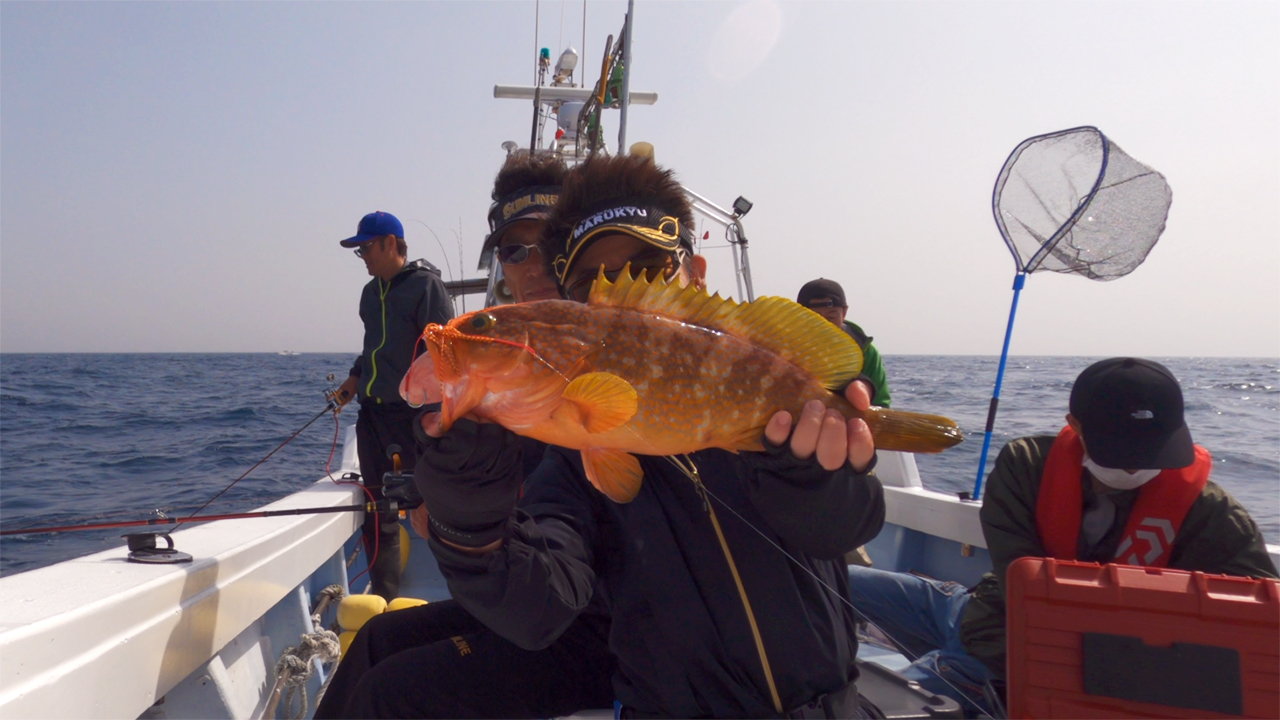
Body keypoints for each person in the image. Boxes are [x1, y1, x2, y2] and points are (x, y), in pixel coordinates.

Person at [413, 154, 887, 718]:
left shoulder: (774, 415)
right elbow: (536, 610)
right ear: (573, 312)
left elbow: (851, 524)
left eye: (651, 269)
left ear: (698, 275)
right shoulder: (573, 458)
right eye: (595, 284)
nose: (626, 292)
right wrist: (467, 518)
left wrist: (814, 478)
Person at [315, 156, 617, 719]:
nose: (531, 266)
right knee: (376, 642)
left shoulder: (617, 353)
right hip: (536, 595)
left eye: (552, 242)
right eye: (511, 250)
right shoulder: (506, 381)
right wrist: (447, 505)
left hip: (602, 627)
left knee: (390, 694)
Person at [845, 357, 1278, 715]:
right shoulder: (1026, 466)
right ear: (1075, 424)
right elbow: (1018, 580)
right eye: (1120, 449)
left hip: (1022, 663)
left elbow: (1258, 632)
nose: (1133, 466)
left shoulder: (1213, 515)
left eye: (1149, 451)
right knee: (826, 579)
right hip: (984, 611)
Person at [334, 211, 453, 602]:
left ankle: (456, 593)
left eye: (366, 247)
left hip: (415, 416)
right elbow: (373, 347)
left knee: (430, 504)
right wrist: (355, 377)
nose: (363, 256)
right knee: (377, 508)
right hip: (372, 415)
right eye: (359, 249)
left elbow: (444, 352)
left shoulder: (426, 287)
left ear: (390, 243)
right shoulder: (370, 293)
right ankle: (384, 599)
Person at [797, 278, 891, 408]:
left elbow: (881, 404)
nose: (824, 326)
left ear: (844, 312)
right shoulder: (780, 348)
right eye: (814, 318)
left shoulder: (867, 351)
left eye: (831, 317)